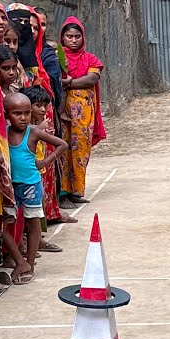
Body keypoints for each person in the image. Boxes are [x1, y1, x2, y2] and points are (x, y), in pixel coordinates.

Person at [6, 92, 68, 283]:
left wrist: (44, 162)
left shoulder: (33, 132)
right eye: (17, 113)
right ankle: (19, 261)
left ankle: (29, 265)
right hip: (9, 186)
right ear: (7, 114)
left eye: (26, 113)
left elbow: (62, 144)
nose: (23, 118)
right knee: (4, 226)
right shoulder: (3, 132)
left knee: (32, 225)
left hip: (31, 185)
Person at [58, 17, 105, 208]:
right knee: (63, 150)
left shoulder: (90, 59)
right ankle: (63, 193)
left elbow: (91, 79)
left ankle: (77, 191)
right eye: (69, 36)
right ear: (63, 37)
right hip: (62, 111)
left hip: (84, 114)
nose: (74, 40)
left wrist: (68, 82)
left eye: (77, 36)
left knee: (81, 151)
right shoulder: (57, 57)